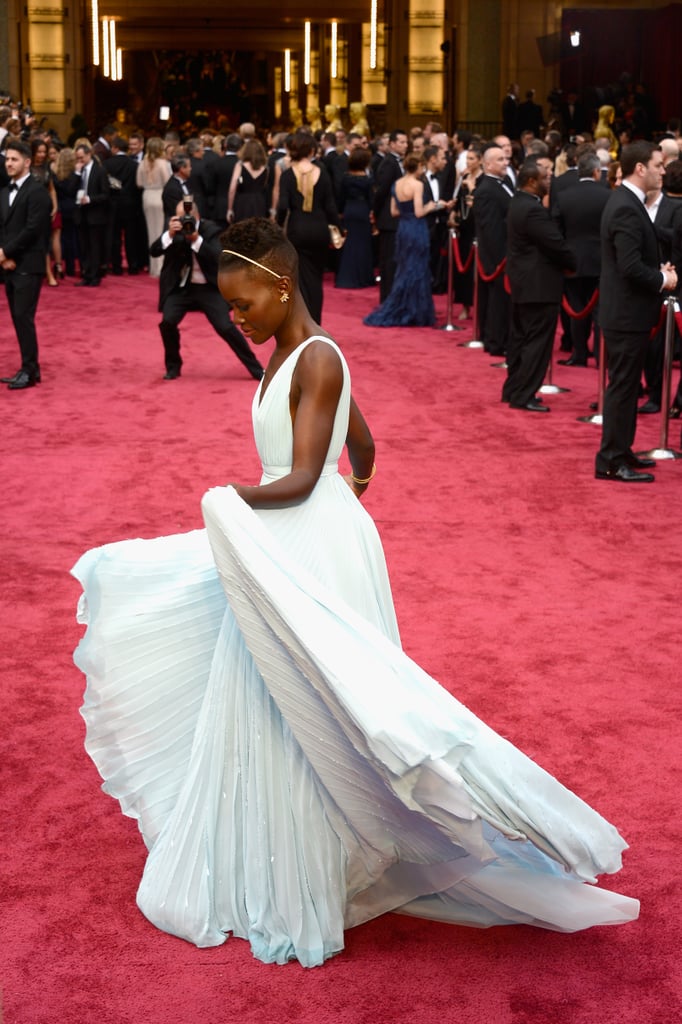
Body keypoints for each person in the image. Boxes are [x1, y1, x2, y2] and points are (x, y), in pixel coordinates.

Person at [72, 217, 638, 968]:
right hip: (296, 533)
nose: (235, 319)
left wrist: (242, 496)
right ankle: (310, 845)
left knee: (331, 692)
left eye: (244, 306)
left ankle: (352, 847)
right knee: (276, 688)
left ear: (282, 285)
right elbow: (359, 443)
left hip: (311, 538)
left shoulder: (319, 359)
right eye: (230, 307)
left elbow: (304, 476)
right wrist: (355, 487)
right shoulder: (288, 356)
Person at [596, 141, 677, 483]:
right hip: (626, 315)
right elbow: (629, 266)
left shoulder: (628, 201)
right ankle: (612, 460)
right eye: (658, 164)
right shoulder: (627, 205)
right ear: (640, 168)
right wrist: (664, 278)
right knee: (623, 388)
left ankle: (622, 451)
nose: (664, 170)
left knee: (627, 388)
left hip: (628, 313)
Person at [149, 200, 264, 382]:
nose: (183, 222)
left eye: (186, 218)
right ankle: (173, 366)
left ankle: (256, 369)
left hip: (208, 288)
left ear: (197, 217)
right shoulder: (175, 231)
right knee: (167, 322)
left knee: (225, 327)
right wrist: (169, 234)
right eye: (179, 218)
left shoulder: (212, 230)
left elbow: (219, 258)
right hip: (182, 288)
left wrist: (196, 240)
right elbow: (154, 251)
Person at [502, 160, 576, 412]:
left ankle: (514, 389)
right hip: (539, 286)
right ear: (532, 182)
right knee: (536, 343)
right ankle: (523, 394)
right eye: (546, 177)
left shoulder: (518, 202)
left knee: (522, 339)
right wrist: (573, 263)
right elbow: (555, 243)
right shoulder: (531, 209)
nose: (550, 180)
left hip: (525, 283)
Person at [364, 154, 451, 327]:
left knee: (404, 268)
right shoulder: (417, 185)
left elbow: (394, 212)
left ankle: (404, 306)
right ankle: (415, 310)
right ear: (418, 166)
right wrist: (434, 206)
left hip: (403, 229)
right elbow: (419, 212)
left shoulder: (397, 184)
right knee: (417, 268)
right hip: (416, 229)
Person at [0, 139, 52, 389]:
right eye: (7, 159)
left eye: (14, 159)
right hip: (9, 264)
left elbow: (33, 230)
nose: (8, 163)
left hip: (29, 264)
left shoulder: (38, 192)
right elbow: (3, 227)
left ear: (27, 162)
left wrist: (6, 252)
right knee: (18, 317)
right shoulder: (3, 192)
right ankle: (31, 368)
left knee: (23, 316)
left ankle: (29, 370)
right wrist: (3, 256)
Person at [276, 129, 340, 322]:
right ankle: (315, 321)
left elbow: (282, 206)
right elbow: (330, 206)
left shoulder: (287, 175)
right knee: (316, 278)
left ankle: (301, 321)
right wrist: (339, 227)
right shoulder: (322, 172)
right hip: (319, 229)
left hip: (298, 229)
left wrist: (278, 227)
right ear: (311, 150)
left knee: (299, 277)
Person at [372, 129, 408, 301]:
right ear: (392, 144)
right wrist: (377, 214)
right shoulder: (389, 163)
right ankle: (386, 297)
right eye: (401, 142)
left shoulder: (399, 162)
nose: (404, 145)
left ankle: (392, 296)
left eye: (406, 142)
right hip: (388, 218)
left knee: (394, 259)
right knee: (388, 260)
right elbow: (381, 191)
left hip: (395, 218)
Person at [335, 146, 374, 289]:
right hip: (362, 210)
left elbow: (341, 197)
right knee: (363, 244)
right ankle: (363, 277)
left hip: (349, 210)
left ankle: (346, 277)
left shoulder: (345, 178)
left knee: (349, 243)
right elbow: (371, 199)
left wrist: (339, 213)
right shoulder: (368, 179)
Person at [73, 142, 110, 287]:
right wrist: (76, 173)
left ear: (89, 155)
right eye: (77, 158)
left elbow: (106, 195)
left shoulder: (100, 170)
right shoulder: (79, 170)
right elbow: (71, 188)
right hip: (81, 215)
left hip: (95, 215)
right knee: (84, 247)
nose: (79, 160)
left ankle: (95, 276)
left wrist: (90, 199)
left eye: (81, 157)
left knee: (95, 247)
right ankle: (86, 274)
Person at [137, 137, 171, 276]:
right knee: (161, 232)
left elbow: (138, 182)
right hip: (160, 195)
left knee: (151, 232)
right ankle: (160, 267)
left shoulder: (142, 163)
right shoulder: (163, 163)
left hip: (147, 196)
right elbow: (168, 181)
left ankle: (153, 267)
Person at [227, 138, 269, 223]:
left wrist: (230, 209)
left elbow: (232, 188)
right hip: (260, 202)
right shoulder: (266, 168)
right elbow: (265, 185)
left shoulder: (240, 165)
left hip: (243, 202)